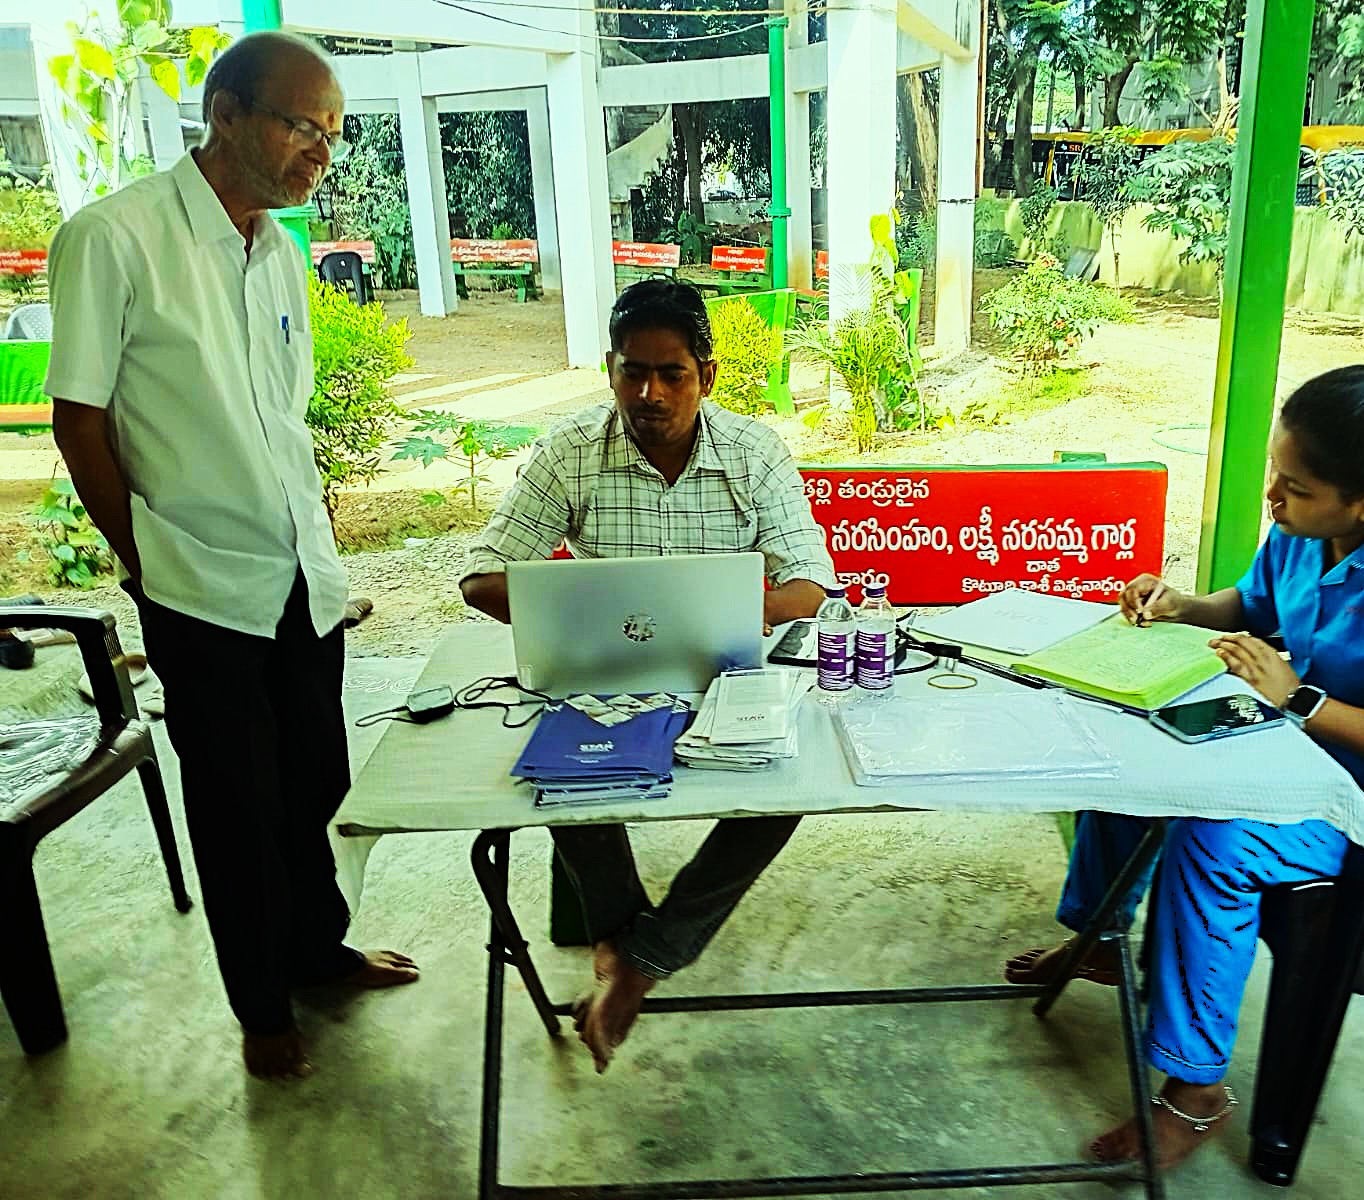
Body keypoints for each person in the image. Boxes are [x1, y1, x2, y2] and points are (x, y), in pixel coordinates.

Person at [1003, 365, 1364, 1170]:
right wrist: (1181, 604)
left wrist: (1302, 702)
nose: (1273, 500)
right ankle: (1104, 939)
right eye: (1275, 476)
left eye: (1294, 486)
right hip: (1324, 753)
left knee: (1216, 841)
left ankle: (1195, 1092)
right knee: (1136, 749)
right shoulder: (1310, 525)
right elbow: (1255, 605)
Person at [46, 32, 418, 1082]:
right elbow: (80, 420)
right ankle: (262, 1009)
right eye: (304, 124)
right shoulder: (114, 238)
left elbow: (278, 424)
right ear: (226, 113)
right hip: (195, 581)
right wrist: (141, 562)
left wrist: (322, 551)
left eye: (333, 134)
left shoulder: (281, 254)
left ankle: (316, 951)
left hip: (300, 572)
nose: (321, 153)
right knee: (236, 807)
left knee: (313, 786)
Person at [461, 278, 835, 1072]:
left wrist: (739, 607)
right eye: (632, 371)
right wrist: (565, 600)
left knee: (787, 788)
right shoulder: (571, 450)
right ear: (608, 368)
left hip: (725, 680)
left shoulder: (754, 451)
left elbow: (810, 580)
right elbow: (480, 579)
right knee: (558, 778)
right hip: (602, 680)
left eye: (672, 374)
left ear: (709, 374)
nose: (649, 393)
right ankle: (634, 947)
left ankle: (635, 960)